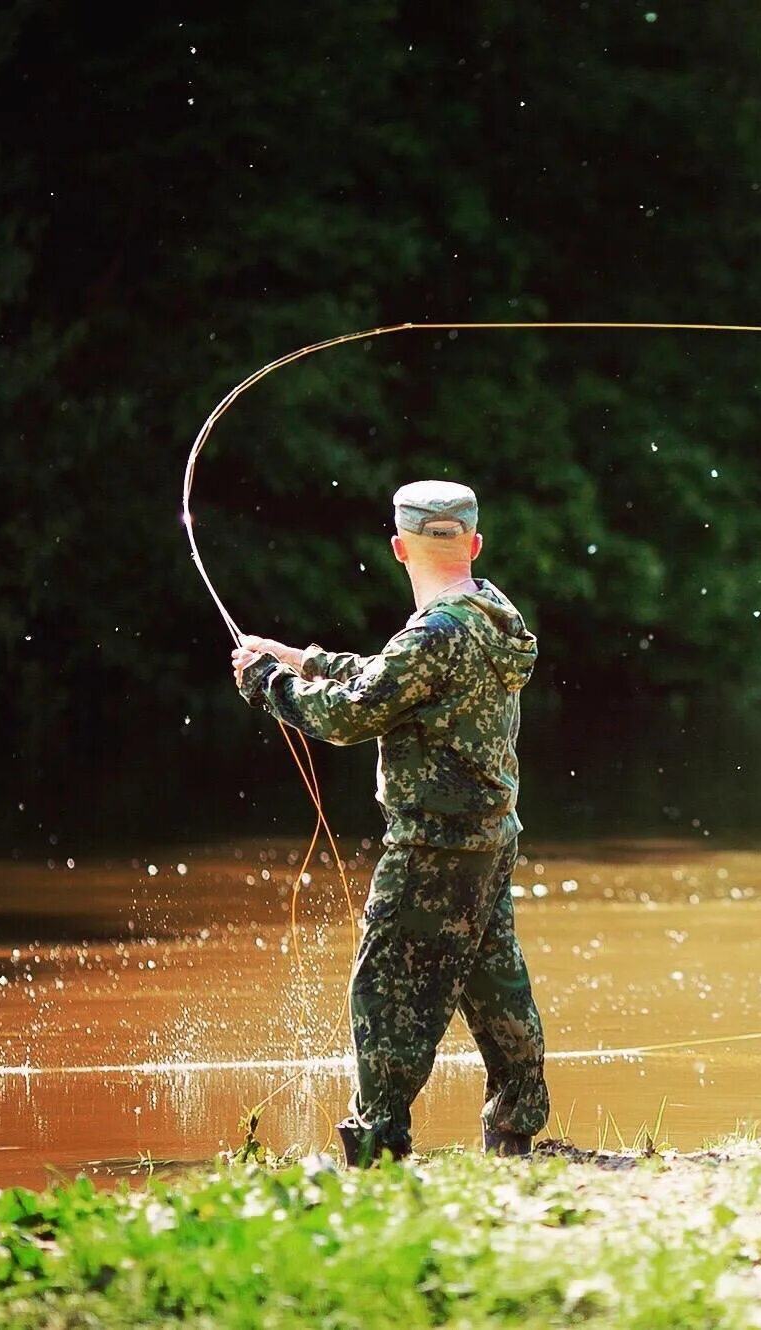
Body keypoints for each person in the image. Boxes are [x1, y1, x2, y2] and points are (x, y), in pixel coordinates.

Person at [229, 480, 546, 1165]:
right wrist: (299, 659)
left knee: (386, 988)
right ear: (475, 544)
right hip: (489, 834)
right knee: (493, 980)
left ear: (399, 548)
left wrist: (266, 685)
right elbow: (391, 679)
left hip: (433, 844)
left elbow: (349, 716)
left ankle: (376, 1143)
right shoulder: (492, 613)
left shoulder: (433, 632)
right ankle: (515, 1129)